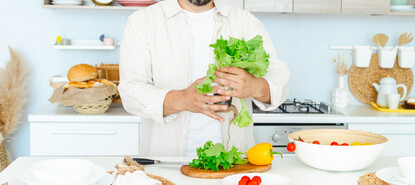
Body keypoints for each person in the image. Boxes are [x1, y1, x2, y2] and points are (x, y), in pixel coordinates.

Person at [119, 0, 289, 157]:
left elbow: (279, 79)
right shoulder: (143, 21)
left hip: (235, 166)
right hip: (166, 163)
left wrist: (255, 87)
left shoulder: (245, 22)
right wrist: (181, 99)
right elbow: (130, 91)